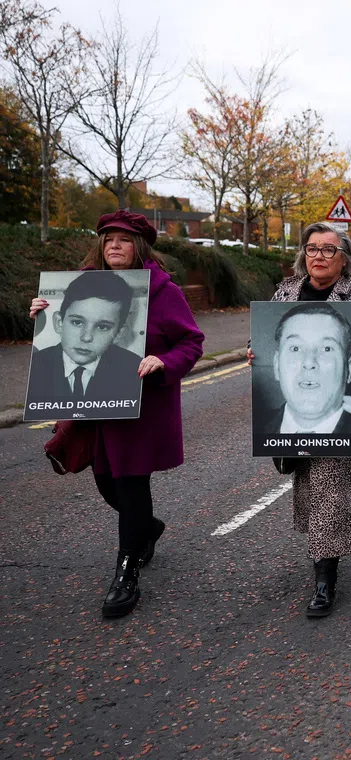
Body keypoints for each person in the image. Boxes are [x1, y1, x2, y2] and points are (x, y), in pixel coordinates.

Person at [28, 210, 204, 618]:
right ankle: (148, 527)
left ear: (139, 246)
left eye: (123, 240)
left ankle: (126, 575)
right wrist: (40, 314)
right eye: (108, 240)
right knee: (106, 482)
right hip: (96, 408)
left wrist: (163, 361)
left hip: (141, 408)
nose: (114, 247)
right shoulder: (77, 286)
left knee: (130, 483)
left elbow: (191, 343)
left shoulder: (162, 291)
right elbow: (58, 334)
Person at [247, 222, 351, 617]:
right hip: (294, 415)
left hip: (343, 415)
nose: (318, 256)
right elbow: (263, 342)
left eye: (329, 250)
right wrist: (256, 352)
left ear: (344, 258)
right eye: (312, 248)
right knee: (310, 488)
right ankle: (323, 560)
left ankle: (324, 580)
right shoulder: (285, 293)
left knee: (329, 489)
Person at [26, 271, 143, 406]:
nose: (86, 337)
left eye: (102, 327)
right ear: (59, 322)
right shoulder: (38, 365)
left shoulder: (133, 369)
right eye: (77, 322)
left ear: (118, 334)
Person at [261, 303, 351, 437]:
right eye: (295, 348)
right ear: (277, 365)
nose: (309, 362)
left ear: (350, 369)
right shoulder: (255, 430)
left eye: (327, 348)